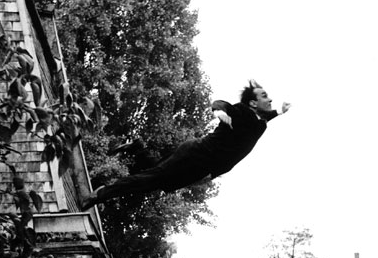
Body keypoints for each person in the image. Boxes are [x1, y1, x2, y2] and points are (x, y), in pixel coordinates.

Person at [81, 80, 291, 209]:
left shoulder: (260, 124)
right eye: (265, 96)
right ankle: (100, 194)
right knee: (153, 179)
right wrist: (218, 111)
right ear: (253, 103)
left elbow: (265, 117)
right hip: (196, 155)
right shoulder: (242, 112)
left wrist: (280, 111)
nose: (270, 99)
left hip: (204, 167)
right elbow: (223, 104)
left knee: (163, 180)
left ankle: (136, 148)